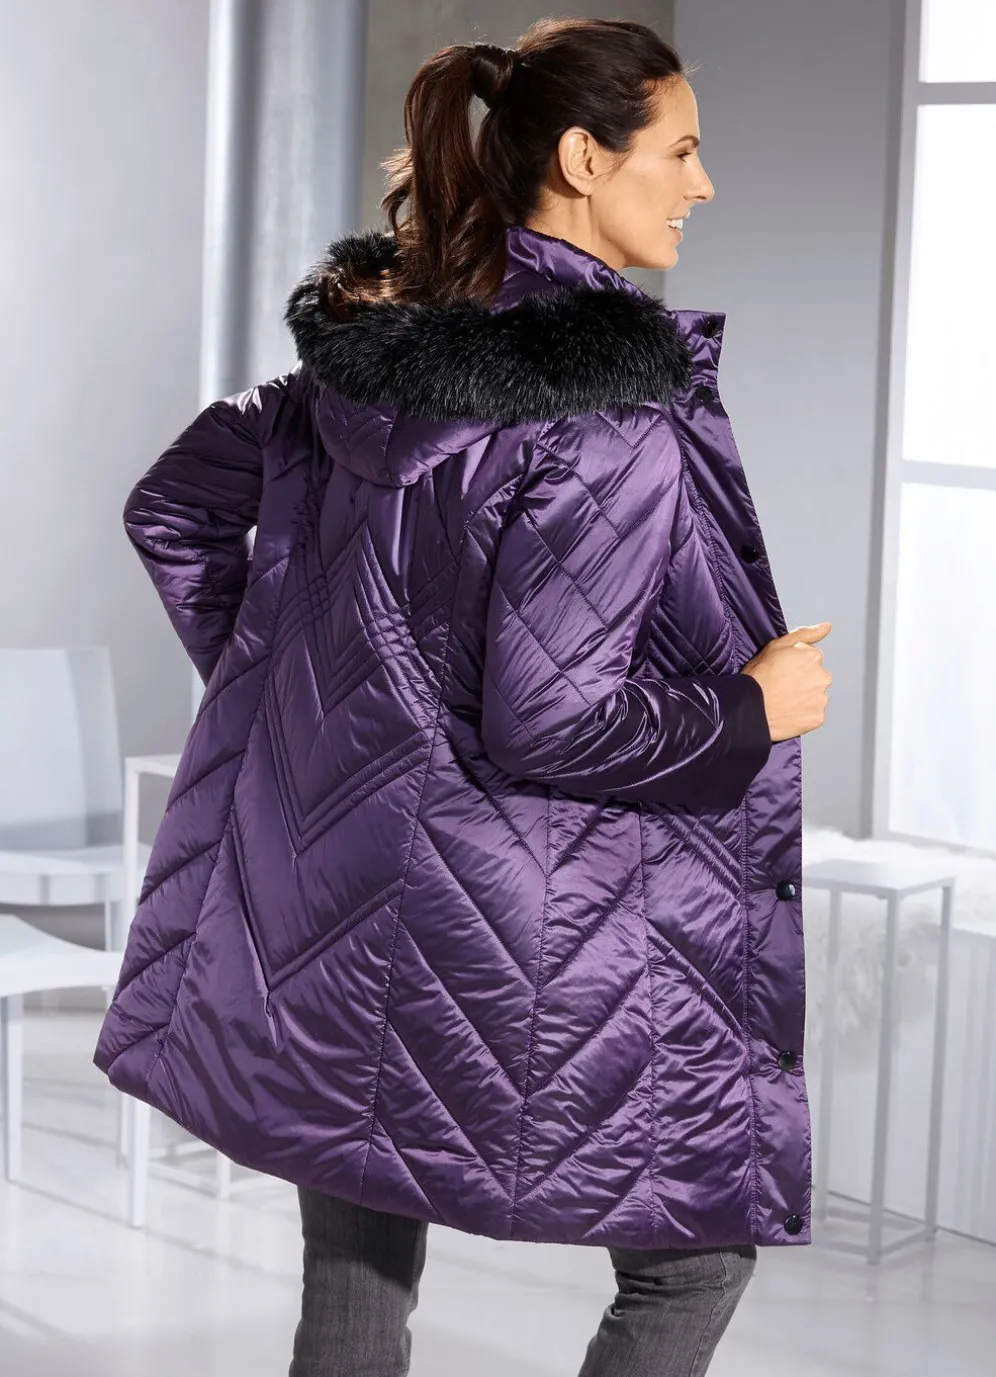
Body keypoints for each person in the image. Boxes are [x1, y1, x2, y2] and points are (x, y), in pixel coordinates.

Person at [94, 16, 832, 1377]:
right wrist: (750, 708)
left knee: (357, 1252)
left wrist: (309, 708)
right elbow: (554, 720)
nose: (703, 183)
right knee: (694, 1259)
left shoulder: (360, 358)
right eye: (680, 150)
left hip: (341, 897)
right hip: (525, 923)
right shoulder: (604, 413)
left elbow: (172, 511)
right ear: (583, 159)